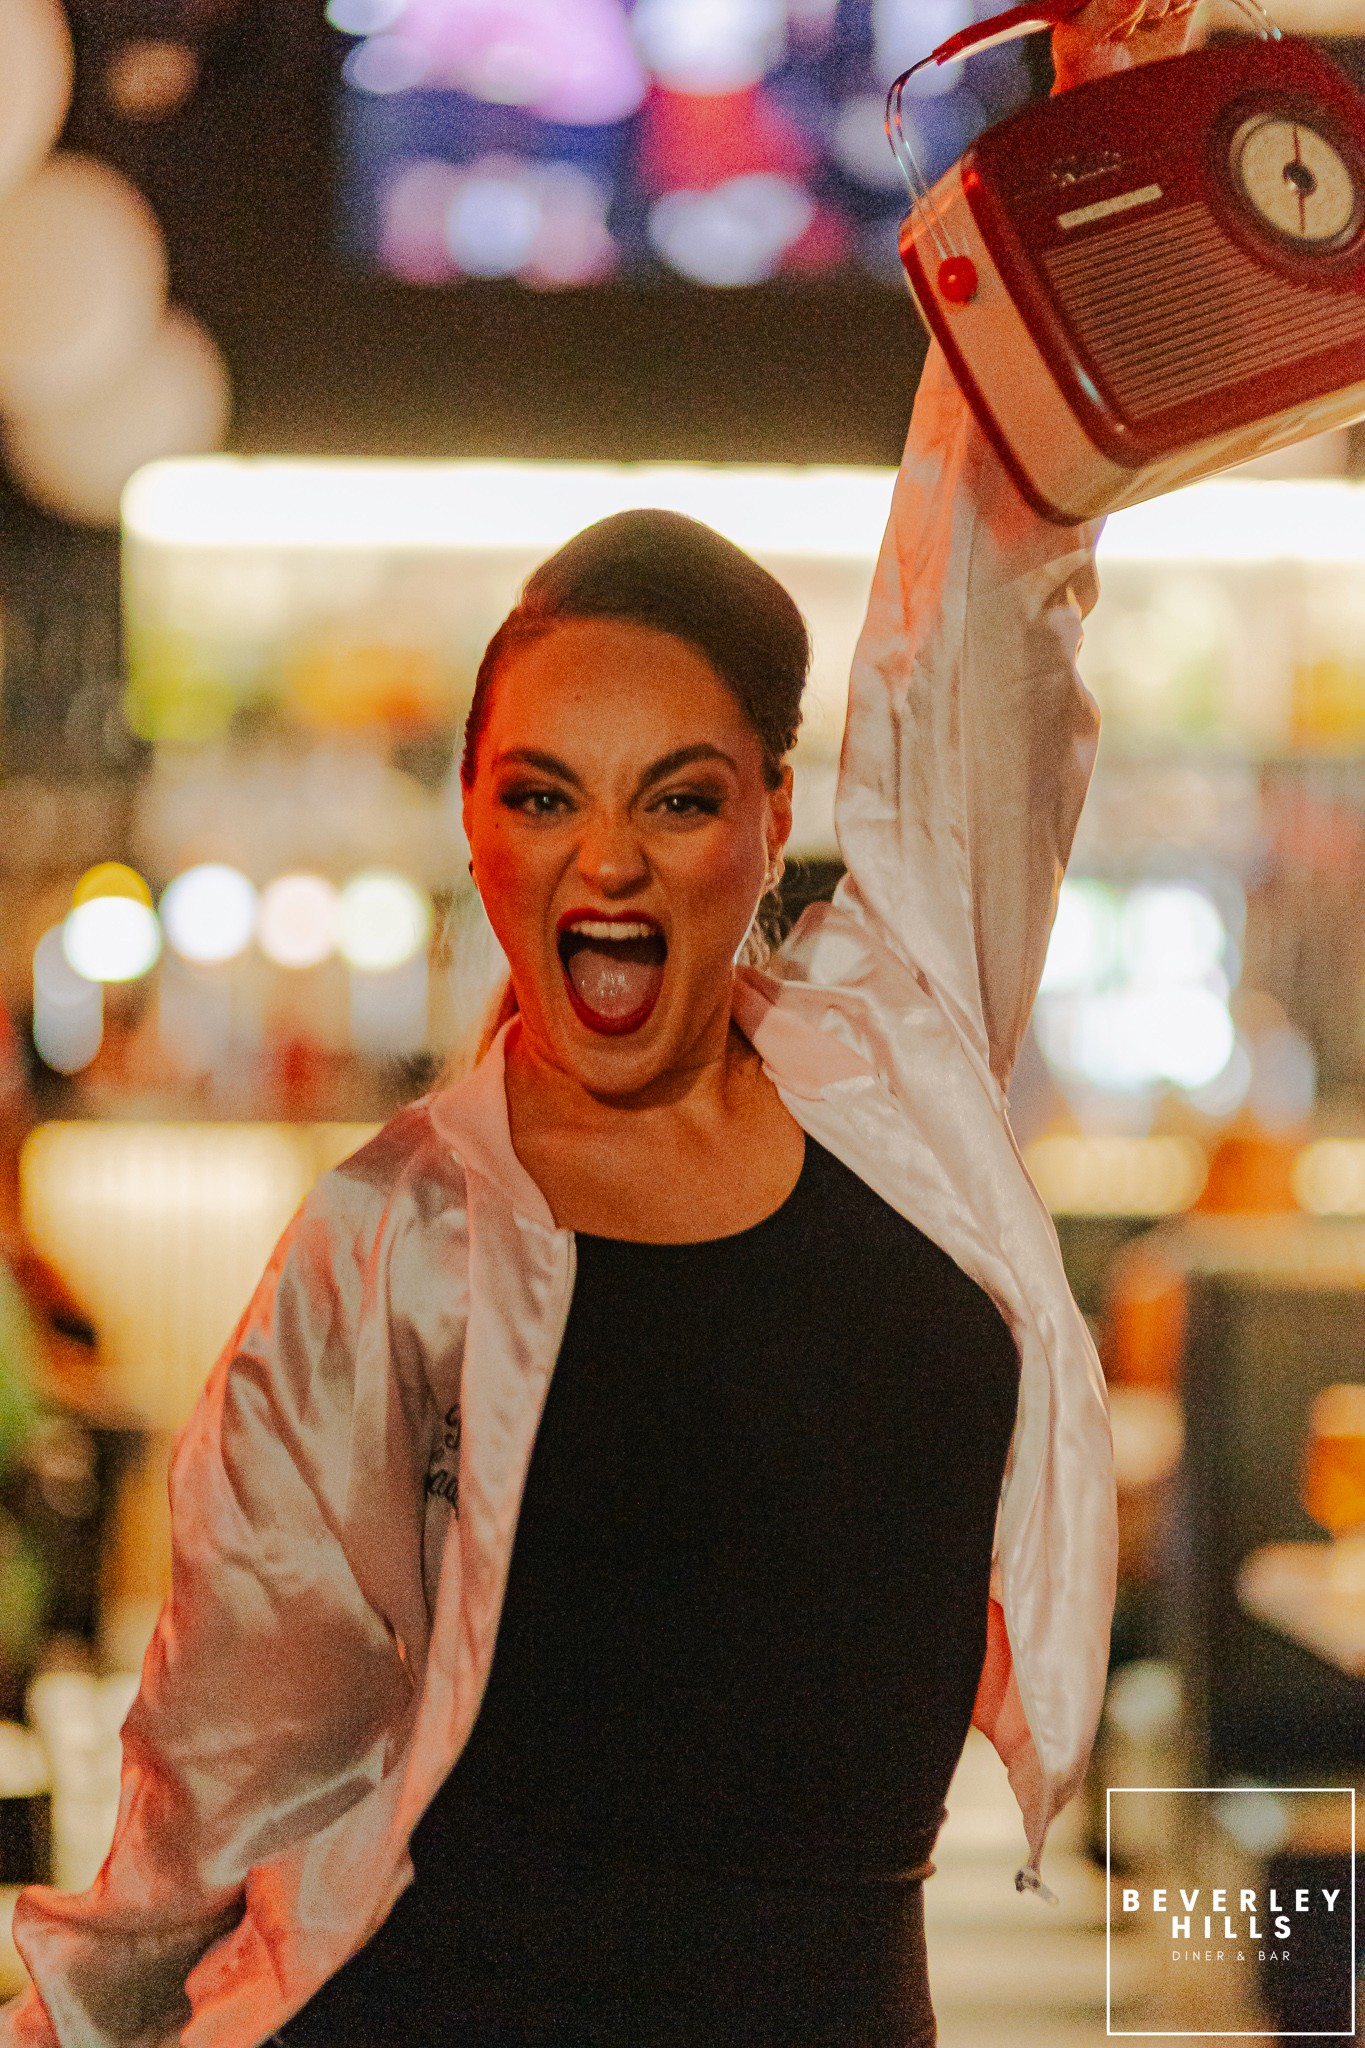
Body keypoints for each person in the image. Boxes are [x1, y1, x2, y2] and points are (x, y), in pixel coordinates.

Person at [0, 3, 1202, 2039]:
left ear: (771, 822)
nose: (608, 861)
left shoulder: (895, 1066)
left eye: (679, 797)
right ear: (474, 830)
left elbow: (988, 609)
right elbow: (207, 1794)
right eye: (543, 796)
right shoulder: (388, 1243)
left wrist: (1064, 157)